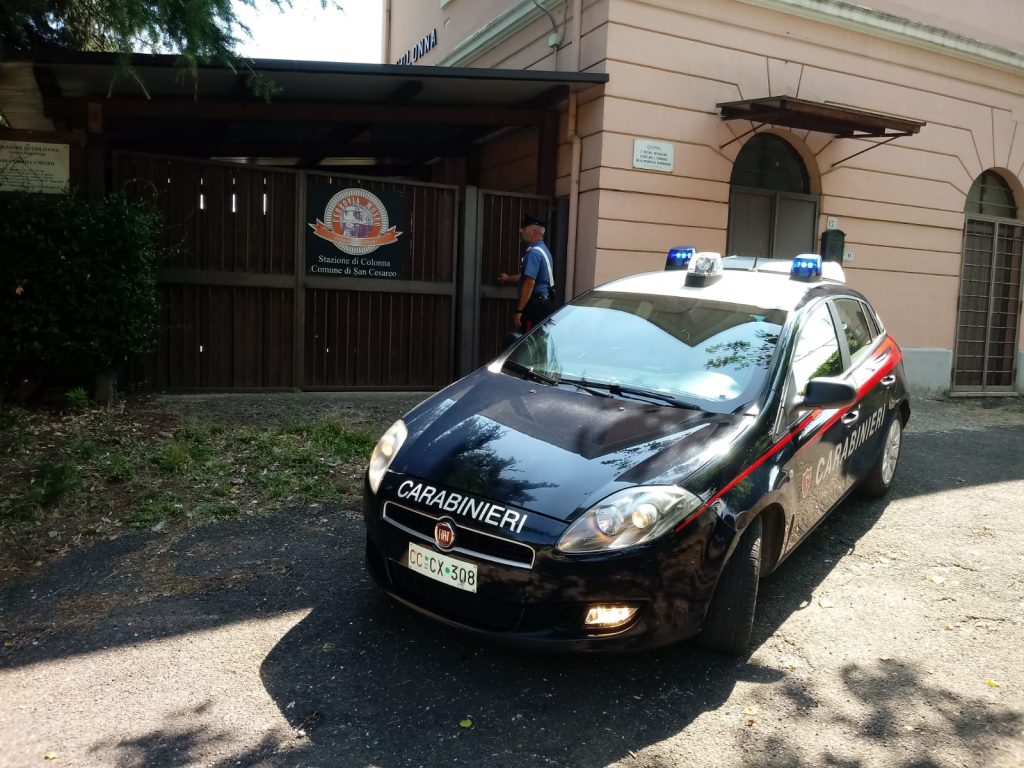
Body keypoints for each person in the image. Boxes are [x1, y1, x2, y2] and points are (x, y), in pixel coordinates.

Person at [498, 213, 556, 332]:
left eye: (524, 228)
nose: (521, 231)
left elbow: (529, 283)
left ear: (533, 231)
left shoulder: (533, 253)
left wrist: (520, 310)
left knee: (530, 340)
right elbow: (524, 276)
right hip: (544, 303)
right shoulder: (543, 250)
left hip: (535, 306)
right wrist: (508, 278)